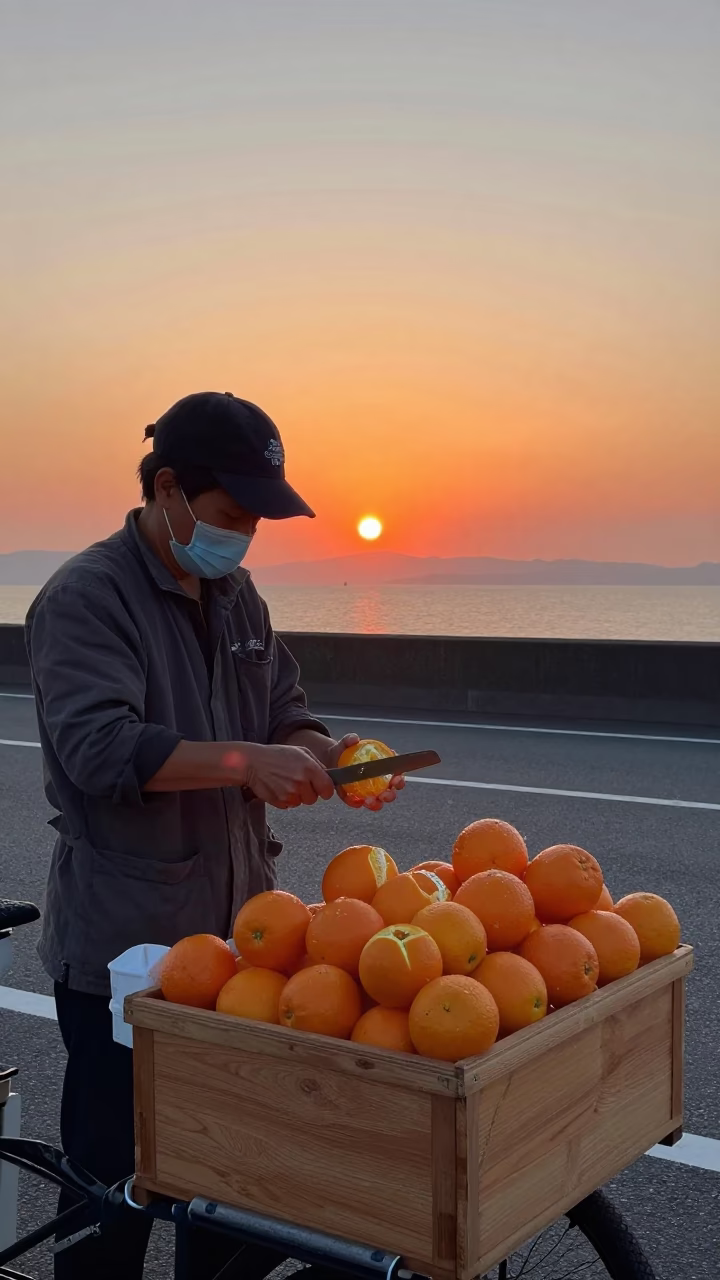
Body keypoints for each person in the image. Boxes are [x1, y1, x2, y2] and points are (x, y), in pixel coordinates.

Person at [25, 391, 403, 1279]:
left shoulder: (237, 597)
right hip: (125, 954)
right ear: (167, 491)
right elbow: (99, 750)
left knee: (234, 1189)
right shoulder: (87, 597)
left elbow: (288, 714)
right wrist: (246, 764)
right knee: (110, 1194)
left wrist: (325, 756)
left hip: (239, 950)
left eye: (257, 523)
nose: (243, 539)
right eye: (232, 515)